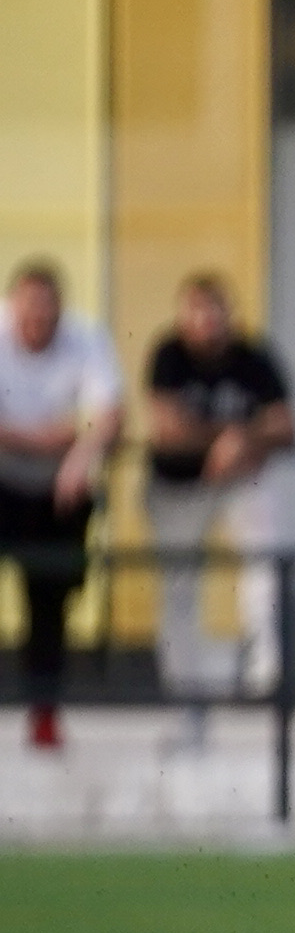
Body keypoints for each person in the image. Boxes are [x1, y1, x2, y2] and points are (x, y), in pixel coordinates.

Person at [139, 271, 295, 741]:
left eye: (217, 311)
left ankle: (263, 666)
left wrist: (240, 439)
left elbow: (288, 427)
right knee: (179, 588)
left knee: (264, 559)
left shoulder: (254, 357)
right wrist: (230, 436)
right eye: (198, 312)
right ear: (184, 316)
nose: (209, 322)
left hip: (239, 477)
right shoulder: (169, 355)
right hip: (178, 485)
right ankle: (187, 694)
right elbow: (167, 428)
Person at [0, 258, 120, 751]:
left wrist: (78, 455)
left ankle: (44, 714)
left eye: (47, 311)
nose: (37, 322)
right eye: (28, 310)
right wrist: (59, 434)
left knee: (49, 604)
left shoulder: (86, 338)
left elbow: (108, 416)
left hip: (59, 489)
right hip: (4, 481)